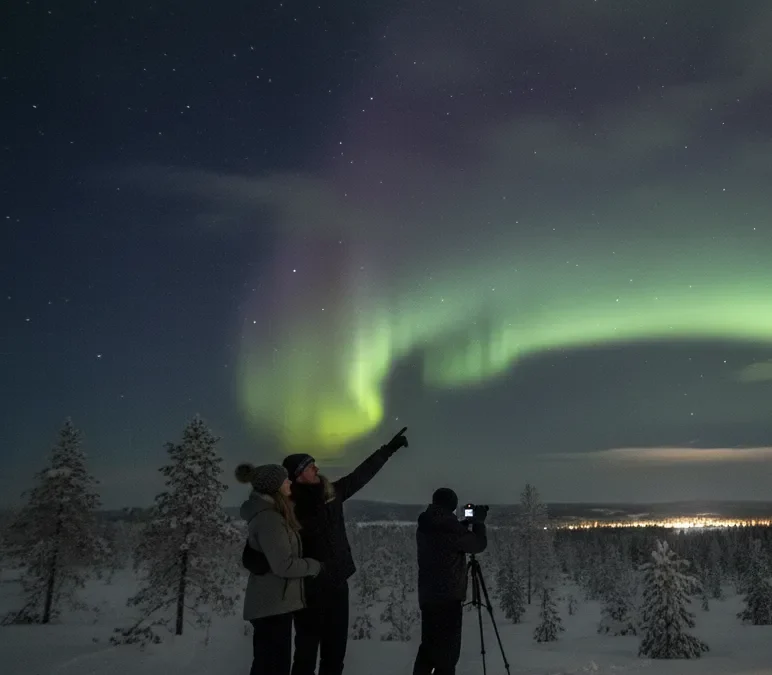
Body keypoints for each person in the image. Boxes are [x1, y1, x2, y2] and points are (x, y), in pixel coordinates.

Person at [283, 426, 409, 675]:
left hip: (338, 586)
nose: (316, 468)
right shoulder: (290, 509)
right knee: (306, 657)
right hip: (310, 590)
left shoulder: (331, 494)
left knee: (334, 656)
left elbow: (360, 475)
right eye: (310, 467)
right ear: (298, 476)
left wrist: (388, 450)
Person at [236, 462, 323, 675]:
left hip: (273, 604)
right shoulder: (270, 519)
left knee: (268, 665)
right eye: (285, 480)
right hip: (272, 606)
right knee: (274, 667)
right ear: (274, 487)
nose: (289, 482)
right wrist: (315, 566)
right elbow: (284, 565)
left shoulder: (271, 514)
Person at [413, 487, 488, 675]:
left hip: (429, 597)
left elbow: (446, 537)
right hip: (448, 598)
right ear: (452, 505)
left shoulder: (427, 523)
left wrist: (463, 523)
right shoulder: (449, 527)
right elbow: (478, 544)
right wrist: (478, 523)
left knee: (429, 649)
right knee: (448, 655)